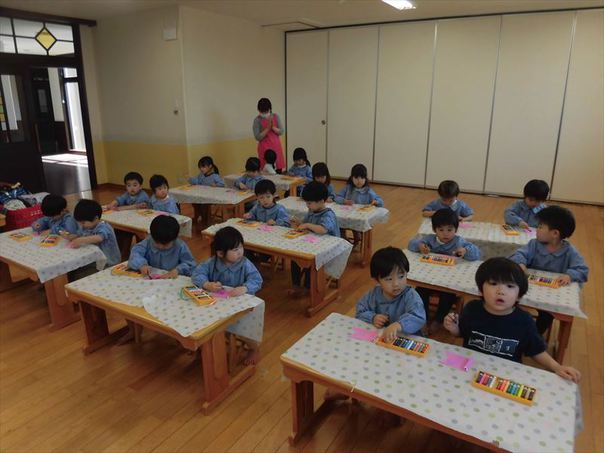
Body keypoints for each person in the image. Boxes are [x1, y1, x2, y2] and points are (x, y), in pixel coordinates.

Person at [443, 257, 580, 382]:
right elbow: (463, 333)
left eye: (510, 286)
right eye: (493, 283)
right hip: (469, 368)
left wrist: (557, 367)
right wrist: (454, 328)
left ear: (519, 296)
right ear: (480, 290)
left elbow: (536, 350)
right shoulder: (472, 308)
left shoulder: (524, 321)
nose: (501, 291)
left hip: (504, 376)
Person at [509, 206, 588, 334]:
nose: (536, 229)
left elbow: (582, 269)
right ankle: (516, 329)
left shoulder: (570, 251)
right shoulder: (534, 244)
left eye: (540, 227)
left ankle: (534, 335)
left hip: (552, 295)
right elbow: (519, 254)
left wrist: (569, 275)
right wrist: (521, 263)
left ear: (555, 233)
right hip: (529, 288)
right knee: (512, 303)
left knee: (546, 316)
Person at [191, 226, 263, 363]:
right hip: (217, 305)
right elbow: (196, 274)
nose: (240, 252)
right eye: (235, 249)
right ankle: (204, 346)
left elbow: (257, 280)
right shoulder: (212, 263)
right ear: (220, 253)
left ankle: (254, 348)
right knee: (203, 323)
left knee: (245, 331)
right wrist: (207, 284)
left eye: (240, 247)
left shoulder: (245, 264)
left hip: (241, 307)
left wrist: (245, 288)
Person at [408, 208, 481, 328]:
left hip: (448, 281)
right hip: (428, 278)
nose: (445, 233)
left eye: (449, 230)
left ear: (456, 229)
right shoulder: (429, 239)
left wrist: (465, 250)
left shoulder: (458, 241)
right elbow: (411, 244)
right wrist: (419, 246)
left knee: (448, 295)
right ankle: (423, 317)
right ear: (434, 229)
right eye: (441, 230)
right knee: (419, 291)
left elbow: (476, 254)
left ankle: (439, 319)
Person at [289, 181, 339, 295]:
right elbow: (307, 224)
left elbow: (323, 229)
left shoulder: (328, 214)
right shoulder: (312, 210)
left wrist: (307, 225)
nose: (307, 205)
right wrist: (299, 223)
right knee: (295, 257)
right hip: (312, 244)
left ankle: (308, 287)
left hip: (328, 249)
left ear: (321, 201)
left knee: (310, 260)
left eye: (309, 203)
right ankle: (296, 285)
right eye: (307, 203)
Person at [128, 215, 196, 278]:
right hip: (150, 278)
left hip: (172, 279)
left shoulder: (180, 246)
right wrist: (142, 265)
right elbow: (135, 253)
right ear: (151, 236)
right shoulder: (148, 241)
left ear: (175, 239)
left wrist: (178, 270)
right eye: (157, 243)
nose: (160, 247)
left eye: (165, 244)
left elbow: (190, 264)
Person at [71, 199, 121, 267]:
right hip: (95, 258)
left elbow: (99, 238)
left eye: (83, 223)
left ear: (95, 218)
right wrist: (72, 236)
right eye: (79, 223)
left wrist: (81, 240)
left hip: (109, 262)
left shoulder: (104, 227)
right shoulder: (86, 226)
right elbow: (80, 234)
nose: (81, 225)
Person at [253, 97, 285, 172]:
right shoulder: (257, 120)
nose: (264, 113)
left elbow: (281, 131)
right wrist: (267, 129)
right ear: (259, 110)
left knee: (278, 170)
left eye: (266, 111)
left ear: (270, 109)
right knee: (266, 170)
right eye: (262, 112)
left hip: (276, 147)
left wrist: (273, 127)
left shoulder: (276, 116)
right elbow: (257, 137)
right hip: (264, 149)